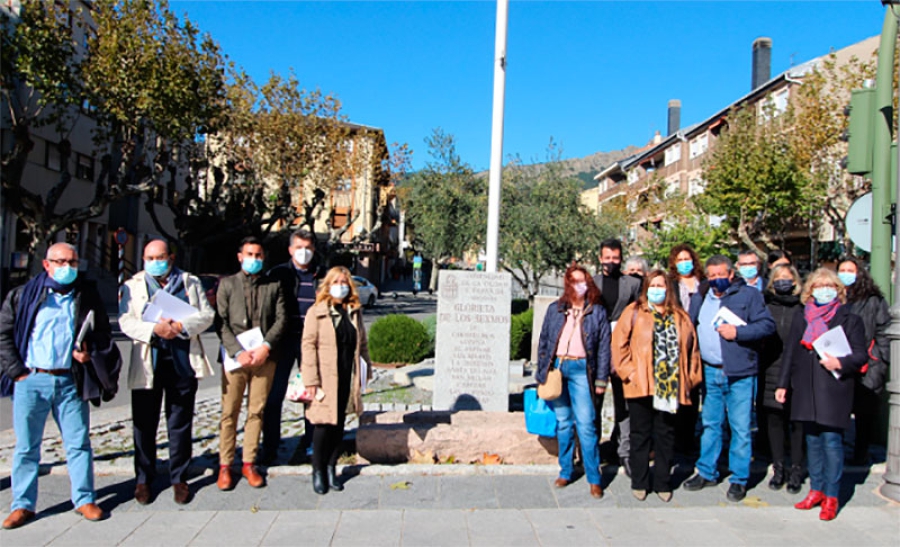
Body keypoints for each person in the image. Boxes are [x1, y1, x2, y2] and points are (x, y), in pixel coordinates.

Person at [0, 243, 121, 529]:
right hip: (32, 379)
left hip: (70, 379)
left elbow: (102, 332)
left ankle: (84, 499)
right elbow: (4, 335)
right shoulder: (23, 295)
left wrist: (87, 351)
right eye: (60, 261)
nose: (66, 267)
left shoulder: (85, 295)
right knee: (27, 447)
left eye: (72, 261)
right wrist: (17, 372)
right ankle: (23, 505)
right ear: (47, 264)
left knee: (78, 443)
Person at [119, 240, 215, 505]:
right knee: (144, 423)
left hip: (181, 362)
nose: (155, 261)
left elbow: (206, 315)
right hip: (149, 361)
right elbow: (126, 321)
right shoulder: (132, 285)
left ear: (170, 258)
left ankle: (179, 478)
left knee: (180, 422)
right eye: (149, 257)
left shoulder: (190, 282)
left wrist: (181, 326)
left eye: (160, 257)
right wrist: (154, 331)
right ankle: (143, 479)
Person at [776, 268, 868, 521]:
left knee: (831, 442)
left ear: (838, 290)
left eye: (829, 285)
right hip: (806, 389)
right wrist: (783, 384)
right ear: (810, 290)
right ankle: (815, 490)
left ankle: (831, 496)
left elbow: (860, 354)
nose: (823, 290)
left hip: (833, 389)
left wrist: (840, 362)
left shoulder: (850, 320)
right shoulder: (801, 317)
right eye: (818, 285)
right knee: (812, 443)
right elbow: (791, 353)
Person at [684, 254, 775, 502]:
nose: (716, 280)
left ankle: (738, 478)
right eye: (711, 275)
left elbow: (767, 326)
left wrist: (739, 332)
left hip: (740, 372)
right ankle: (706, 471)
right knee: (711, 424)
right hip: (710, 370)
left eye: (720, 275)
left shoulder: (749, 296)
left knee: (741, 427)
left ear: (731, 274)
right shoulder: (702, 296)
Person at [612, 270, 702, 502]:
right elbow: (619, 345)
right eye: (653, 285)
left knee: (665, 434)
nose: (657, 289)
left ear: (668, 289)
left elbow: (693, 351)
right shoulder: (633, 312)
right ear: (646, 288)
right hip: (639, 382)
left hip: (669, 383)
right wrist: (628, 372)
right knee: (639, 434)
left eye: (661, 285)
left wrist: (690, 379)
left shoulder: (680, 316)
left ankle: (662, 481)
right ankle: (640, 481)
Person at [216, 236, 287, 491]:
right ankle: (225, 465)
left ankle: (249, 462)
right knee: (229, 412)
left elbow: (281, 319)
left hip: (263, 358)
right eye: (249, 254)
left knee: (256, 411)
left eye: (258, 255)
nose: (254, 259)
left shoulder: (274, 285)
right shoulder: (227, 285)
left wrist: (266, 347)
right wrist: (237, 352)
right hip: (235, 359)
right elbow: (220, 322)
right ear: (239, 256)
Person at [537, 263, 610, 499]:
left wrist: (601, 379)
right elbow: (545, 341)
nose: (578, 286)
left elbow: (603, 349)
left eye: (582, 281)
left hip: (582, 370)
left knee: (587, 425)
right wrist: (542, 372)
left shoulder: (597, 312)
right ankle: (566, 470)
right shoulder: (556, 309)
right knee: (564, 423)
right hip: (558, 368)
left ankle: (594, 478)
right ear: (567, 284)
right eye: (573, 281)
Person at [301, 266, 372, 495]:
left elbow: (362, 344)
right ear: (328, 285)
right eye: (336, 282)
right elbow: (308, 346)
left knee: (339, 425)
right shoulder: (317, 312)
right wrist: (311, 380)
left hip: (346, 375)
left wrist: (366, 370)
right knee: (322, 426)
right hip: (324, 377)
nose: (340, 286)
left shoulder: (354, 310)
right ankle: (318, 470)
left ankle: (332, 467)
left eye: (344, 282)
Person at [263, 229, 325, 464]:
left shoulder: (323, 274)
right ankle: (270, 447)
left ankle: (311, 445)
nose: (304, 252)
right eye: (299, 247)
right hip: (282, 341)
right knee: (274, 395)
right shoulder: (278, 274)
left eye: (308, 248)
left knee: (312, 394)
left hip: (312, 343)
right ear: (290, 250)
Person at [592, 239, 641, 476]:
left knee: (625, 404)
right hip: (597, 351)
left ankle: (625, 451)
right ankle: (593, 451)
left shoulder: (632, 284)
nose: (611, 262)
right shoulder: (592, 283)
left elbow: (640, 313)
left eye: (615, 258)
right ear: (600, 258)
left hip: (624, 350)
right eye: (607, 257)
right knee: (595, 403)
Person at [837, 257, 890, 466]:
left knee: (864, 414)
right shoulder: (836, 297)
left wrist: (877, 359)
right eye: (842, 270)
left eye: (850, 270)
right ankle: (837, 452)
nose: (846, 274)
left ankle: (861, 453)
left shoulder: (873, 300)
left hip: (868, 366)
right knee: (838, 410)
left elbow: (884, 331)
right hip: (840, 363)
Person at [758, 264, 805, 494]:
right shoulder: (765, 306)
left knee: (797, 423)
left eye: (787, 278)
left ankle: (796, 470)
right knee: (774, 421)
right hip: (771, 369)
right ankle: (778, 469)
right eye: (778, 278)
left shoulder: (804, 308)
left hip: (797, 371)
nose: (783, 282)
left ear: (795, 282)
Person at [667, 243, 707, 456]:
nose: (684, 263)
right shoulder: (671, 283)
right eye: (680, 260)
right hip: (677, 343)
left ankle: (689, 438)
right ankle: (674, 439)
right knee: (676, 390)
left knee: (694, 389)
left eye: (687, 259)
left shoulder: (704, 284)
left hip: (701, 343)